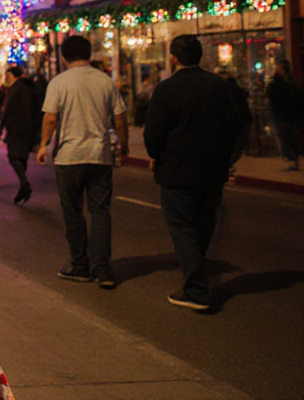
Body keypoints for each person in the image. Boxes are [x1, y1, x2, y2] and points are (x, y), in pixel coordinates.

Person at [144, 35, 250, 311]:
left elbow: (153, 131)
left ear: (174, 58)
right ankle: (196, 276)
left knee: (182, 227)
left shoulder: (167, 89)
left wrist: (156, 155)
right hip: (212, 169)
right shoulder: (218, 85)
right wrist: (228, 156)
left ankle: (196, 289)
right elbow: (235, 123)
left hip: (177, 169)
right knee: (204, 224)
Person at [37, 34, 128, 289]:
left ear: (64, 57)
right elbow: (119, 118)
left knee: (73, 212)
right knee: (100, 212)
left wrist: (44, 145)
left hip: (69, 157)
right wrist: (124, 145)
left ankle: (80, 265)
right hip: (99, 155)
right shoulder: (105, 81)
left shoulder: (59, 83)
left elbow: (50, 118)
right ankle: (103, 269)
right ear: (89, 54)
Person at [0, 66, 39, 204]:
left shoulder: (15, 89)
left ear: (11, 75)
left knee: (13, 157)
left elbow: (8, 109)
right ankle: (23, 188)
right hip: (28, 128)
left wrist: (2, 127)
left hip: (17, 127)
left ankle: (25, 183)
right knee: (22, 158)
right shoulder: (30, 87)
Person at [266, 62, 300, 170]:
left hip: (281, 115)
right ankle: (292, 159)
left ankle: (289, 159)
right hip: (288, 115)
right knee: (288, 137)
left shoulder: (277, 84)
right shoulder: (290, 84)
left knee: (284, 138)